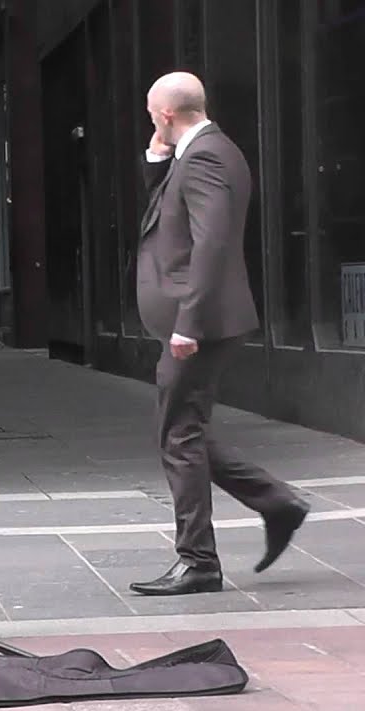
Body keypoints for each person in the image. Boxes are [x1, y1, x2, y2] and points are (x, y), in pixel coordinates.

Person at [130, 72, 309, 596]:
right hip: (196, 320)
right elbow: (169, 214)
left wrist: (189, 322)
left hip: (199, 324)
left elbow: (212, 243)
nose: (150, 118)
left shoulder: (206, 155)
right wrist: (157, 157)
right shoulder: (199, 151)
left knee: (178, 436)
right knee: (184, 429)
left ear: (165, 113)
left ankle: (199, 562)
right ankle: (276, 502)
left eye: (152, 111)